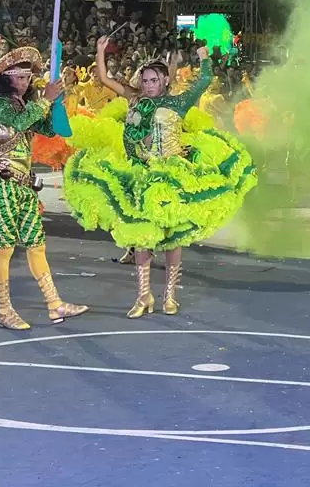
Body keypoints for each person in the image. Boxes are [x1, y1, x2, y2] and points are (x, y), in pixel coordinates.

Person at [62, 35, 257, 316]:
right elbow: (104, 79)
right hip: (141, 175)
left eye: (154, 80)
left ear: (165, 81)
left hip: (171, 177)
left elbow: (204, 80)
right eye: (145, 80)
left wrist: (204, 56)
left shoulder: (179, 102)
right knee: (142, 237)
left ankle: (170, 297)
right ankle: (144, 297)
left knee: (173, 239)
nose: (148, 85)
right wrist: (100, 51)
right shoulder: (134, 97)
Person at [0, 47, 88, 329]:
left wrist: (57, 103)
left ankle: (54, 304)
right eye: (20, 77)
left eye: (28, 78)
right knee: (4, 247)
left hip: (25, 185)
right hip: (2, 184)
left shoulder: (20, 103)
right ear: (6, 78)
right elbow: (18, 123)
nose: (25, 82)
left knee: (37, 245)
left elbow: (49, 129)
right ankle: (4, 310)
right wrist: (44, 100)